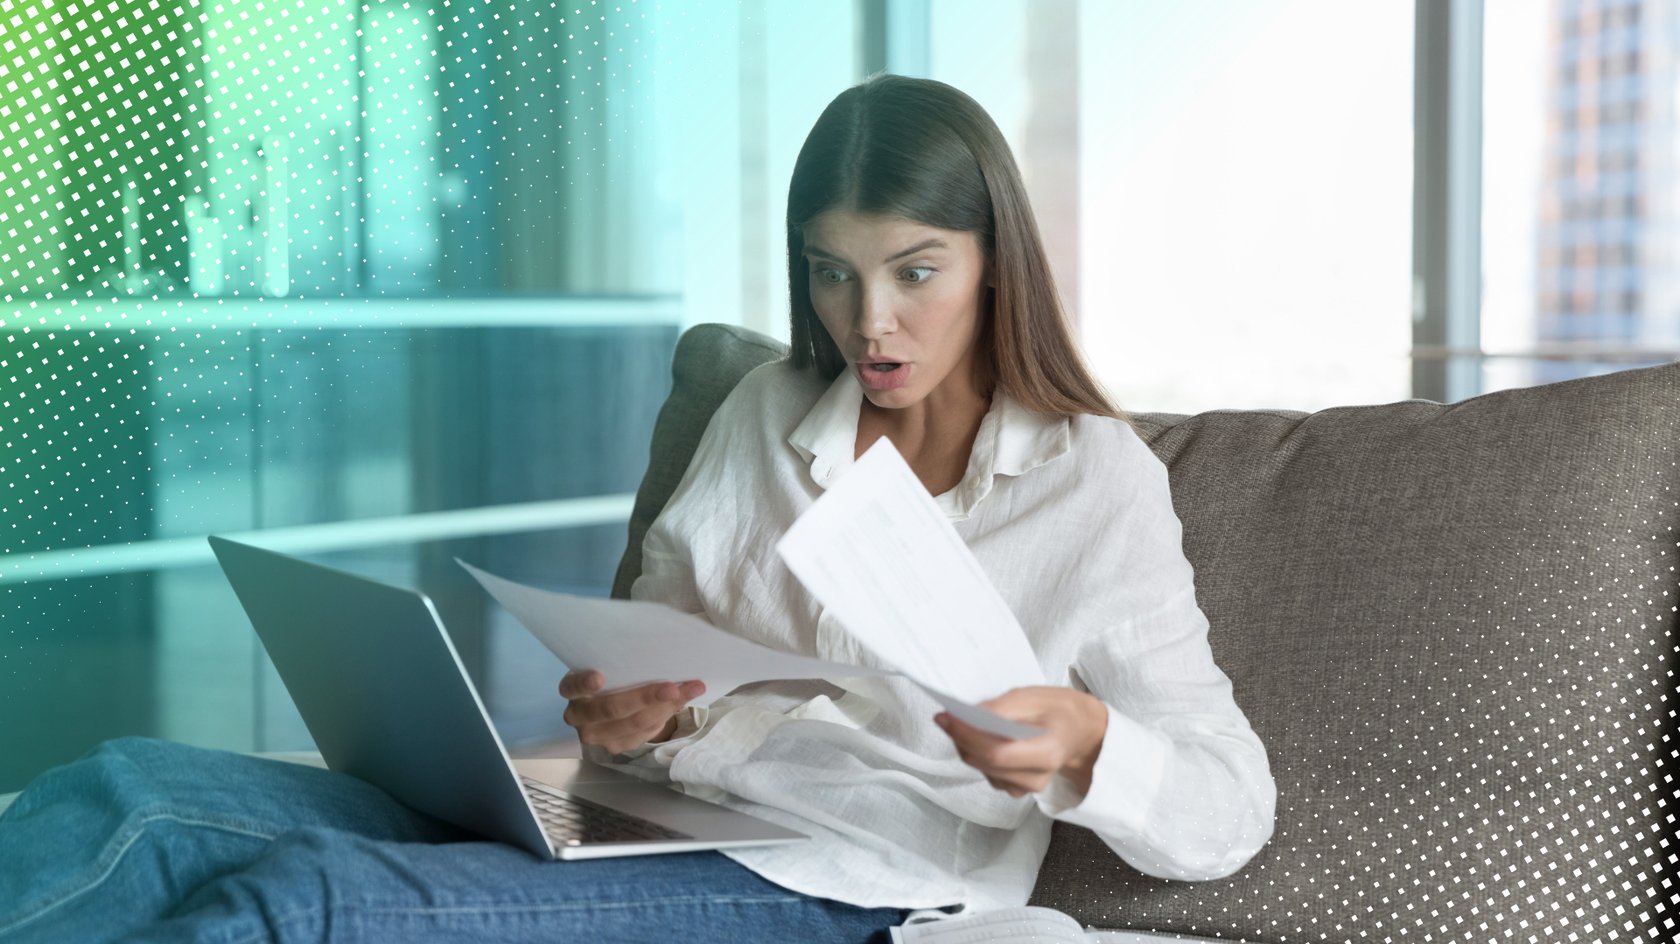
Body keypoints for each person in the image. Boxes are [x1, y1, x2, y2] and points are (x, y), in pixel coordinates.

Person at [0, 75, 1273, 944]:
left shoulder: (1092, 478)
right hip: (649, 810)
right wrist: (620, 714)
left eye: (915, 273)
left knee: (312, 900)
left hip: (840, 875)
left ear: (997, 260)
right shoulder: (769, 412)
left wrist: (1092, 743)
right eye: (833, 274)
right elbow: (651, 670)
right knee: (127, 794)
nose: (868, 322)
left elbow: (1231, 805)